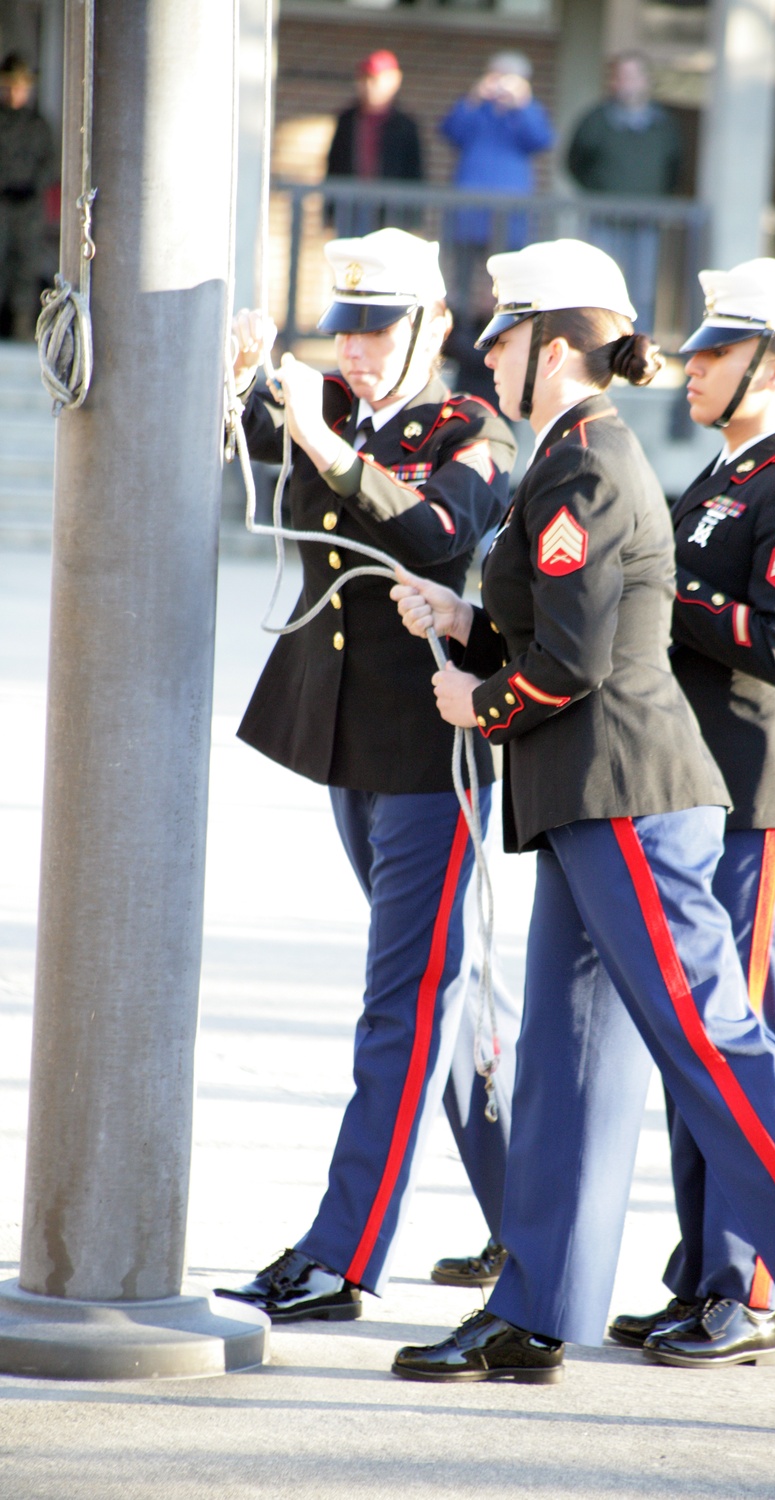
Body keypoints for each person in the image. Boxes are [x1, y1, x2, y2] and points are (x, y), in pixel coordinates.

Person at [388, 238, 775, 1439]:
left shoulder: (590, 458)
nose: (486, 351)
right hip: (587, 793)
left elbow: (584, 663)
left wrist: (476, 699)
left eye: (504, 331)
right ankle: (536, 1307)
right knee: (568, 1063)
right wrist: (471, 627)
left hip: (628, 790)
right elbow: (583, 623)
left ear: (556, 344)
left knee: (712, 1040)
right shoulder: (576, 457)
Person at [213, 228, 520, 1323]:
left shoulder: (467, 430)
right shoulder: (334, 413)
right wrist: (241, 381)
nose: (352, 349)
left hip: (431, 759)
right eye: (342, 325)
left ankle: (342, 1255)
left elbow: (438, 536)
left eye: (377, 327)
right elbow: (256, 457)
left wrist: (322, 440)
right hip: (349, 743)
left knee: (404, 1005)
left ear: (431, 328)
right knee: (447, 1000)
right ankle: (524, 1216)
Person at [607, 257, 775, 1369]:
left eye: (718, 350)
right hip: (700, 794)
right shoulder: (719, 478)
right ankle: (704, 1274)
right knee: (694, 1047)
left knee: (740, 1041)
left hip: (761, 800)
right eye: (701, 346)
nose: (693, 365)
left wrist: (662, 591)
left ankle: (747, 1288)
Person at [566, 52, 682, 331]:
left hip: (646, 220)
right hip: (603, 218)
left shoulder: (664, 125)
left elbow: (675, 167)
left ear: (646, 81)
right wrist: (598, 194)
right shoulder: (596, 119)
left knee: (643, 290)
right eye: (620, 76)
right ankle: (600, 345)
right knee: (598, 284)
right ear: (612, 82)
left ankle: (636, 350)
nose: (626, 83)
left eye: (632, 76)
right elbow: (574, 161)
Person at [438, 52, 553, 326]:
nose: (501, 84)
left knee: (508, 279)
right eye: (496, 76)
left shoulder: (529, 110)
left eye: (509, 78)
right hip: (469, 211)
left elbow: (541, 140)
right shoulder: (476, 108)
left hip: (510, 216)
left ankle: (503, 330)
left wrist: (522, 104)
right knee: (461, 280)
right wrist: (473, 98)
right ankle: (460, 335)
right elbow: (450, 131)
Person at [324, 50, 422, 236]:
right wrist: (329, 213)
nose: (370, 86)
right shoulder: (347, 120)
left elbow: (414, 174)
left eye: (376, 79)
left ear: (394, 81)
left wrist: (414, 221)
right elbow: (334, 165)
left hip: (390, 213)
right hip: (350, 208)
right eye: (365, 79)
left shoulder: (405, 125)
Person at [0, 52, 55, 342]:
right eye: (10, 85)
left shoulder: (38, 125)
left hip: (29, 208)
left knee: (27, 266)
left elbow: (51, 162)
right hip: (2, 205)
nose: (14, 92)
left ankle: (22, 328)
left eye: (20, 86)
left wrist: (32, 186)